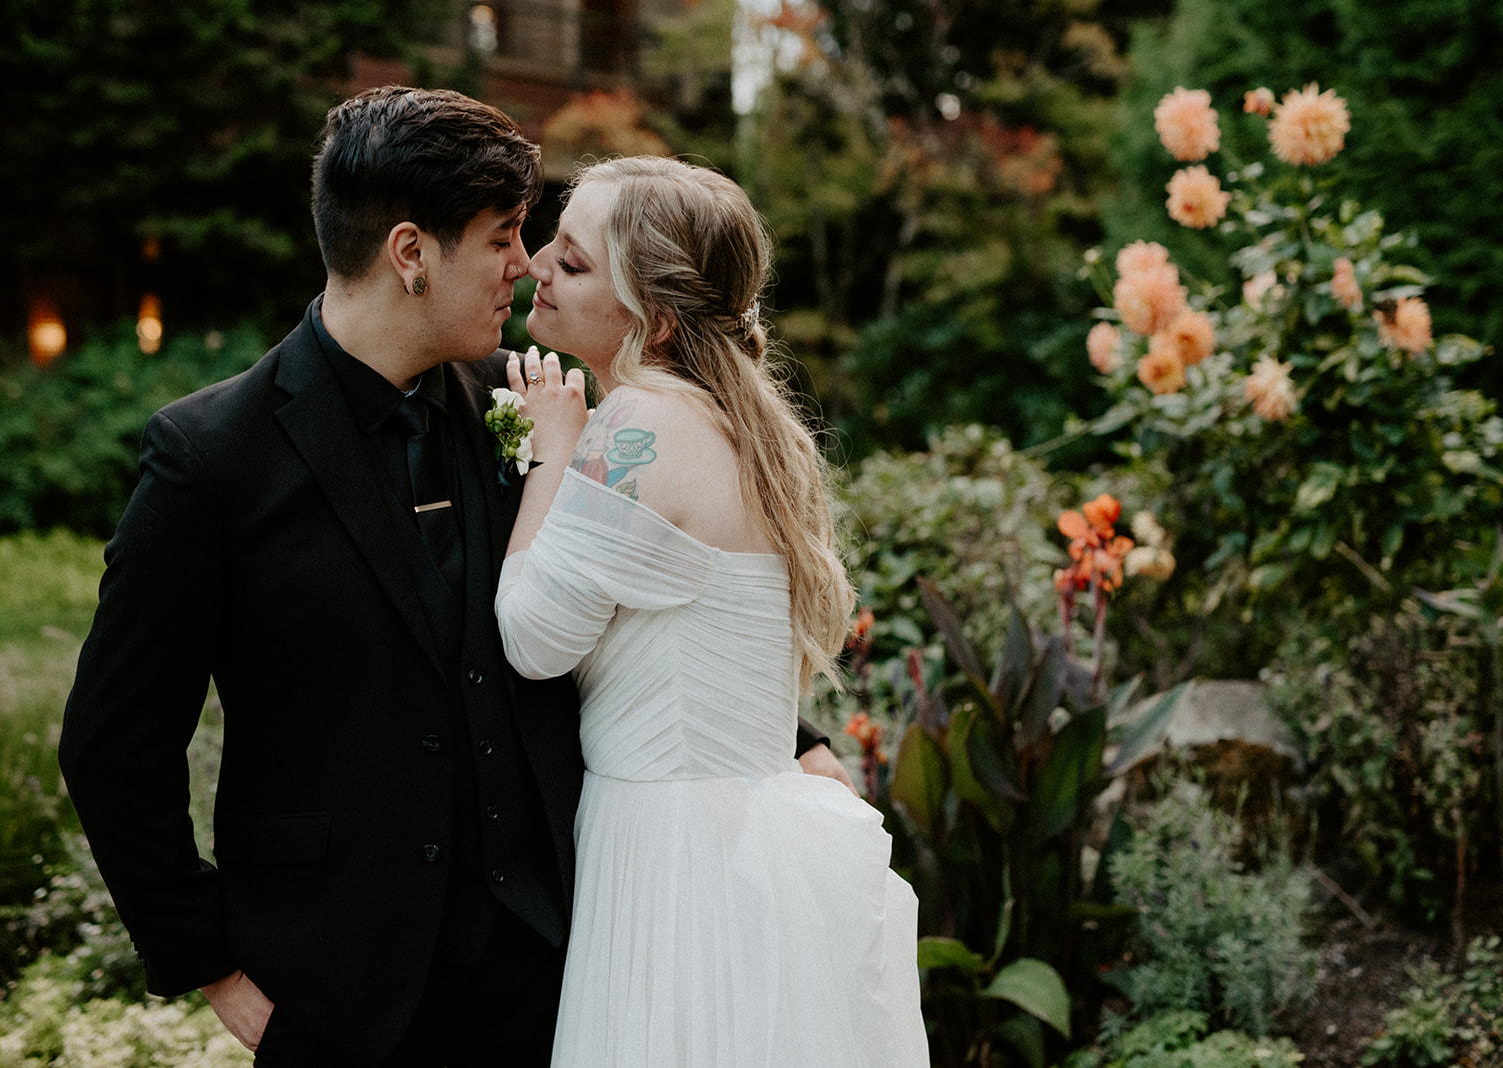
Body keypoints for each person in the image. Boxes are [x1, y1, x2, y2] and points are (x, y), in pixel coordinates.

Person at [59, 87, 845, 1067]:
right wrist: (214, 967)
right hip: (342, 992)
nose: (527, 264)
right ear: (410, 254)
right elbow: (112, 743)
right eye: (504, 236)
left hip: (558, 967)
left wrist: (784, 740)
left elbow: (635, 585)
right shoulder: (213, 457)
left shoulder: (527, 404)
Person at [494, 156, 930, 1066]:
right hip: (740, 844)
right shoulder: (746, 426)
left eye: (572, 263)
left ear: (652, 320)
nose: (536, 263)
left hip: (675, 858)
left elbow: (532, 638)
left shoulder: (636, 425)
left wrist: (553, 451)